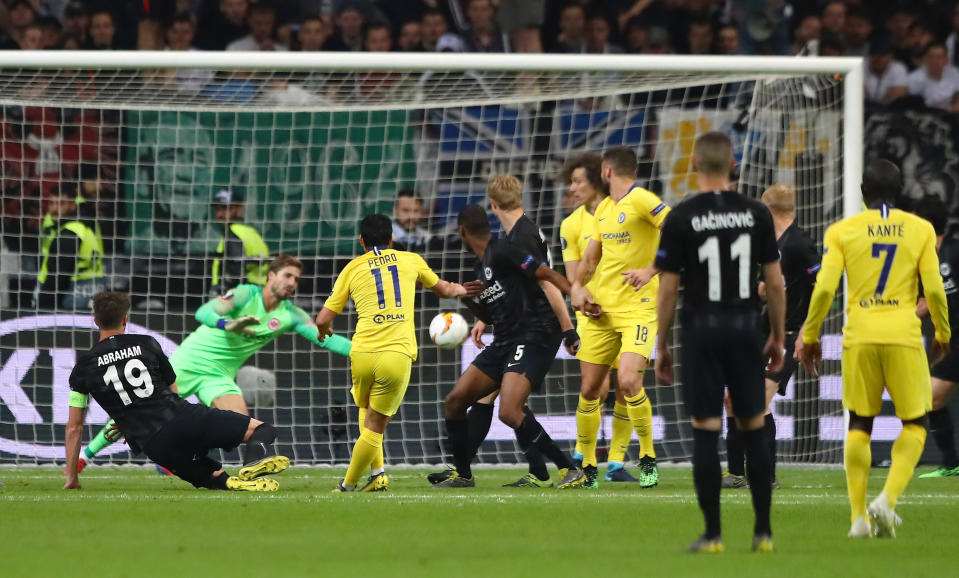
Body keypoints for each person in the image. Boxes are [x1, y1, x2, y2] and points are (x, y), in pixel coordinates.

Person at [76, 255, 351, 471]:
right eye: (287, 275)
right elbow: (203, 312)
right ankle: (84, 457)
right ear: (271, 276)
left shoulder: (291, 314)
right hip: (190, 361)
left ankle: (249, 469)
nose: (292, 282)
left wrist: (362, 350)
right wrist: (228, 324)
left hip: (219, 375)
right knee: (134, 415)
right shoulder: (245, 294)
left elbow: (324, 338)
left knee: (244, 425)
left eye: (296, 279)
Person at [801, 160, 950, 539]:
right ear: (900, 191)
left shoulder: (842, 231)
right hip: (902, 333)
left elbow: (824, 288)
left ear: (862, 191)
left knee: (859, 425)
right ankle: (887, 499)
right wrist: (943, 333)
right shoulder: (921, 230)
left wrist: (811, 334)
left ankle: (857, 520)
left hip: (860, 336)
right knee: (916, 424)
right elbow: (933, 289)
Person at [654, 131, 785, 553]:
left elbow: (668, 290)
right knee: (753, 425)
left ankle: (712, 536)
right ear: (733, 165)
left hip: (702, 329)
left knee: (706, 430)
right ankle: (763, 533)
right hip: (747, 327)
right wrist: (778, 335)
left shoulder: (681, 216)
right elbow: (776, 282)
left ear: (695, 165)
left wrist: (662, 344)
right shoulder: (757, 214)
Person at [428, 176, 580, 488]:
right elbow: (503, 294)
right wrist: (473, 303)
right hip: (508, 338)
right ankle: (465, 471)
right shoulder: (495, 254)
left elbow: (545, 277)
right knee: (459, 400)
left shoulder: (513, 244)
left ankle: (566, 468)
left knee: (508, 409)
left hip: (533, 333)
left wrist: (570, 318)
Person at [315, 214, 479, 492]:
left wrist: (324, 332)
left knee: (365, 410)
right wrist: (464, 289)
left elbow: (322, 318)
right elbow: (443, 289)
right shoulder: (410, 260)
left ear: (361, 241)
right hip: (396, 353)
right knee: (376, 424)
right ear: (392, 239)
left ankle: (377, 473)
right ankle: (347, 485)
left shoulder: (352, 267)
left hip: (362, 352)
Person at [65, 292, 289, 492]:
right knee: (262, 430)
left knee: (208, 476)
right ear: (125, 319)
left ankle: (227, 482)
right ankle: (252, 462)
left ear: (95, 321)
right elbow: (173, 390)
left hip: (153, 446)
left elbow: (75, 427)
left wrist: (72, 477)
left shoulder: (83, 368)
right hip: (182, 419)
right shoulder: (147, 344)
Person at [569, 146, 669, 489]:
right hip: (602, 311)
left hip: (638, 309)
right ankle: (590, 468)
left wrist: (651, 269)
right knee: (589, 390)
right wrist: (578, 289)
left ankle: (648, 459)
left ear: (607, 171)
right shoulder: (605, 209)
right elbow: (591, 259)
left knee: (628, 382)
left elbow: (676, 228)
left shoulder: (641, 199)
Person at [723, 185, 819, 490]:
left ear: (768, 210)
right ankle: (737, 474)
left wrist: (808, 332)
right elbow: (768, 288)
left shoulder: (801, 243)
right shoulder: (770, 242)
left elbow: (822, 289)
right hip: (763, 332)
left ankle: (767, 475)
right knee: (731, 399)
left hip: (790, 335)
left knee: (757, 399)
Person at [559, 153, 638, 484]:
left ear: (597, 180)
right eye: (571, 182)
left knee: (628, 385)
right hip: (594, 315)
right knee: (593, 387)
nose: (572, 188)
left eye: (578, 181)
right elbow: (574, 275)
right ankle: (584, 456)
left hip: (631, 310)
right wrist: (581, 298)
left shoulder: (627, 211)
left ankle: (616, 462)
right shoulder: (571, 224)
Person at [905, 197, 959, 479]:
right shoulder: (926, 258)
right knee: (931, 398)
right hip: (951, 342)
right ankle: (951, 463)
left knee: (931, 397)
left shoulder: (953, 251)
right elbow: (925, 303)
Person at [35, 186, 106, 310]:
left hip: (72, 291)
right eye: (52, 203)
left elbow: (59, 272)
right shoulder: (83, 224)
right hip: (93, 285)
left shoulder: (70, 232)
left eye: (61, 203)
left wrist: (44, 304)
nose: (55, 208)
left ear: (73, 206)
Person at [209, 188, 270, 297]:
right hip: (257, 292)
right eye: (217, 209)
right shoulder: (249, 233)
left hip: (242, 295)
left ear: (239, 209)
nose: (220, 214)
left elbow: (235, 273)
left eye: (225, 208)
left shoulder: (234, 233)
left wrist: (224, 296)